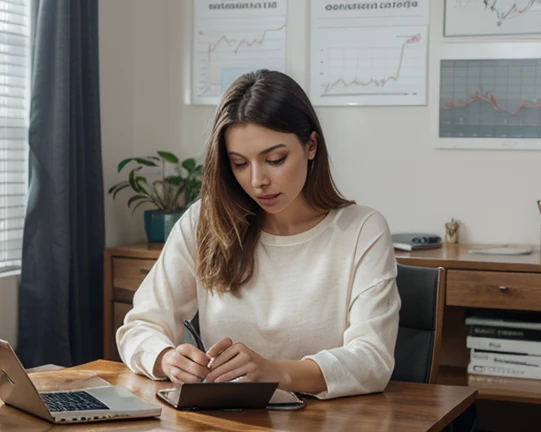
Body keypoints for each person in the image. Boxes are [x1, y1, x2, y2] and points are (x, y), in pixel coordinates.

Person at [116, 69, 401, 400]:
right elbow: (139, 326)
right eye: (239, 163)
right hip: (228, 421)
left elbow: (372, 360)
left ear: (311, 146)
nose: (257, 181)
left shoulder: (362, 231)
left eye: (275, 159)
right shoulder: (206, 221)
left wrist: (275, 373)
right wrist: (166, 359)